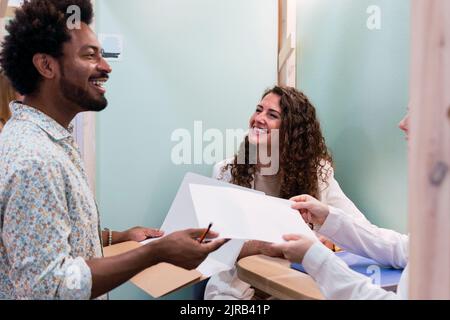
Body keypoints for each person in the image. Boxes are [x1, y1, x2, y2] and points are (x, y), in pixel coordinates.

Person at [0, 0, 225, 300]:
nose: (105, 67)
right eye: (90, 55)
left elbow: (57, 239)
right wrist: (155, 253)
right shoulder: (34, 158)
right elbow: (50, 289)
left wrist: (115, 237)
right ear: (47, 65)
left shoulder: (51, 142)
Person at [204, 86, 371, 300]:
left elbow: (359, 227)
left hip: (293, 286)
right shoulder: (226, 172)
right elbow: (212, 248)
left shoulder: (317, 173)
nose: (258, 119)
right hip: (236, 290)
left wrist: (330, 243)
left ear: (292, 130)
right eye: (258, 110)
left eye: (272, 115)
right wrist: (261, 246)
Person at [271, 113, 411, 299]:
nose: (402, 123)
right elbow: (404, 249)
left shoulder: (318, 171)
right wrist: (327, 217)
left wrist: (315, 258)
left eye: (417, 112)